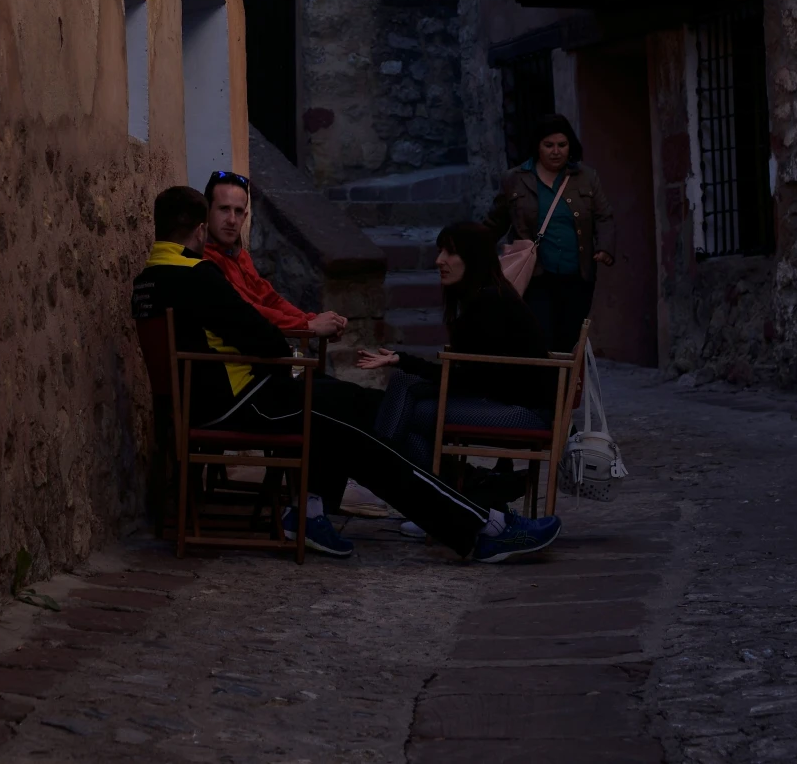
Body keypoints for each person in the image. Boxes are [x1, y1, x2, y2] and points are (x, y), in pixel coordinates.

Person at [131, 185, 561, 564]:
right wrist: (281, 351)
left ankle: (316, 511)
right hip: (241, 403)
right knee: (359, 438)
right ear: (200, 230)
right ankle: (481, 528)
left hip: (219, 402)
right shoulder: (197, 274)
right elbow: (261, 338)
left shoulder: (148, 280)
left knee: (354, 411)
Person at [355, 222, 554, 474]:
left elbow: (473, 380)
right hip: (500, 399)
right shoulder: (482, 297)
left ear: (473, 257)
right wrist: (402, 361)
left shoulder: (491, 301)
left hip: (524, 413)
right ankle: (453, 492)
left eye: (450, 252)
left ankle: (378, 476)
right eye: (440, 251)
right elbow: (474, 376)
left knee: (407, 411)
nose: (439, 260)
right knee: (404, 396)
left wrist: (405, 361)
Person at [487, 114, 614, 353]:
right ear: (538, 147)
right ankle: (545, 388)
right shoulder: (515, 180)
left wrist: (604, 247)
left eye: (562, 145)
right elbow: (495, 222)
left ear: (570, 146)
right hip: (535, 276)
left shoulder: (586, 178)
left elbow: (604, 216)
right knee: (540, 336)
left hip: (577, 275)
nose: (556, 151)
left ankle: (563, 390)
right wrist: (469, 251)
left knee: (568, 340)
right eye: (549, 145)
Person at [197, 170, 348, 341]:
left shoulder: (240, 256)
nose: (232, 220)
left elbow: (270, 299)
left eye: (238, 211)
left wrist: (312, 320)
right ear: (207, 211)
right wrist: (307, 325)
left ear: (245, 216)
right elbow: (249, 311)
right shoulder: (203, 261)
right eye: (224, 209)